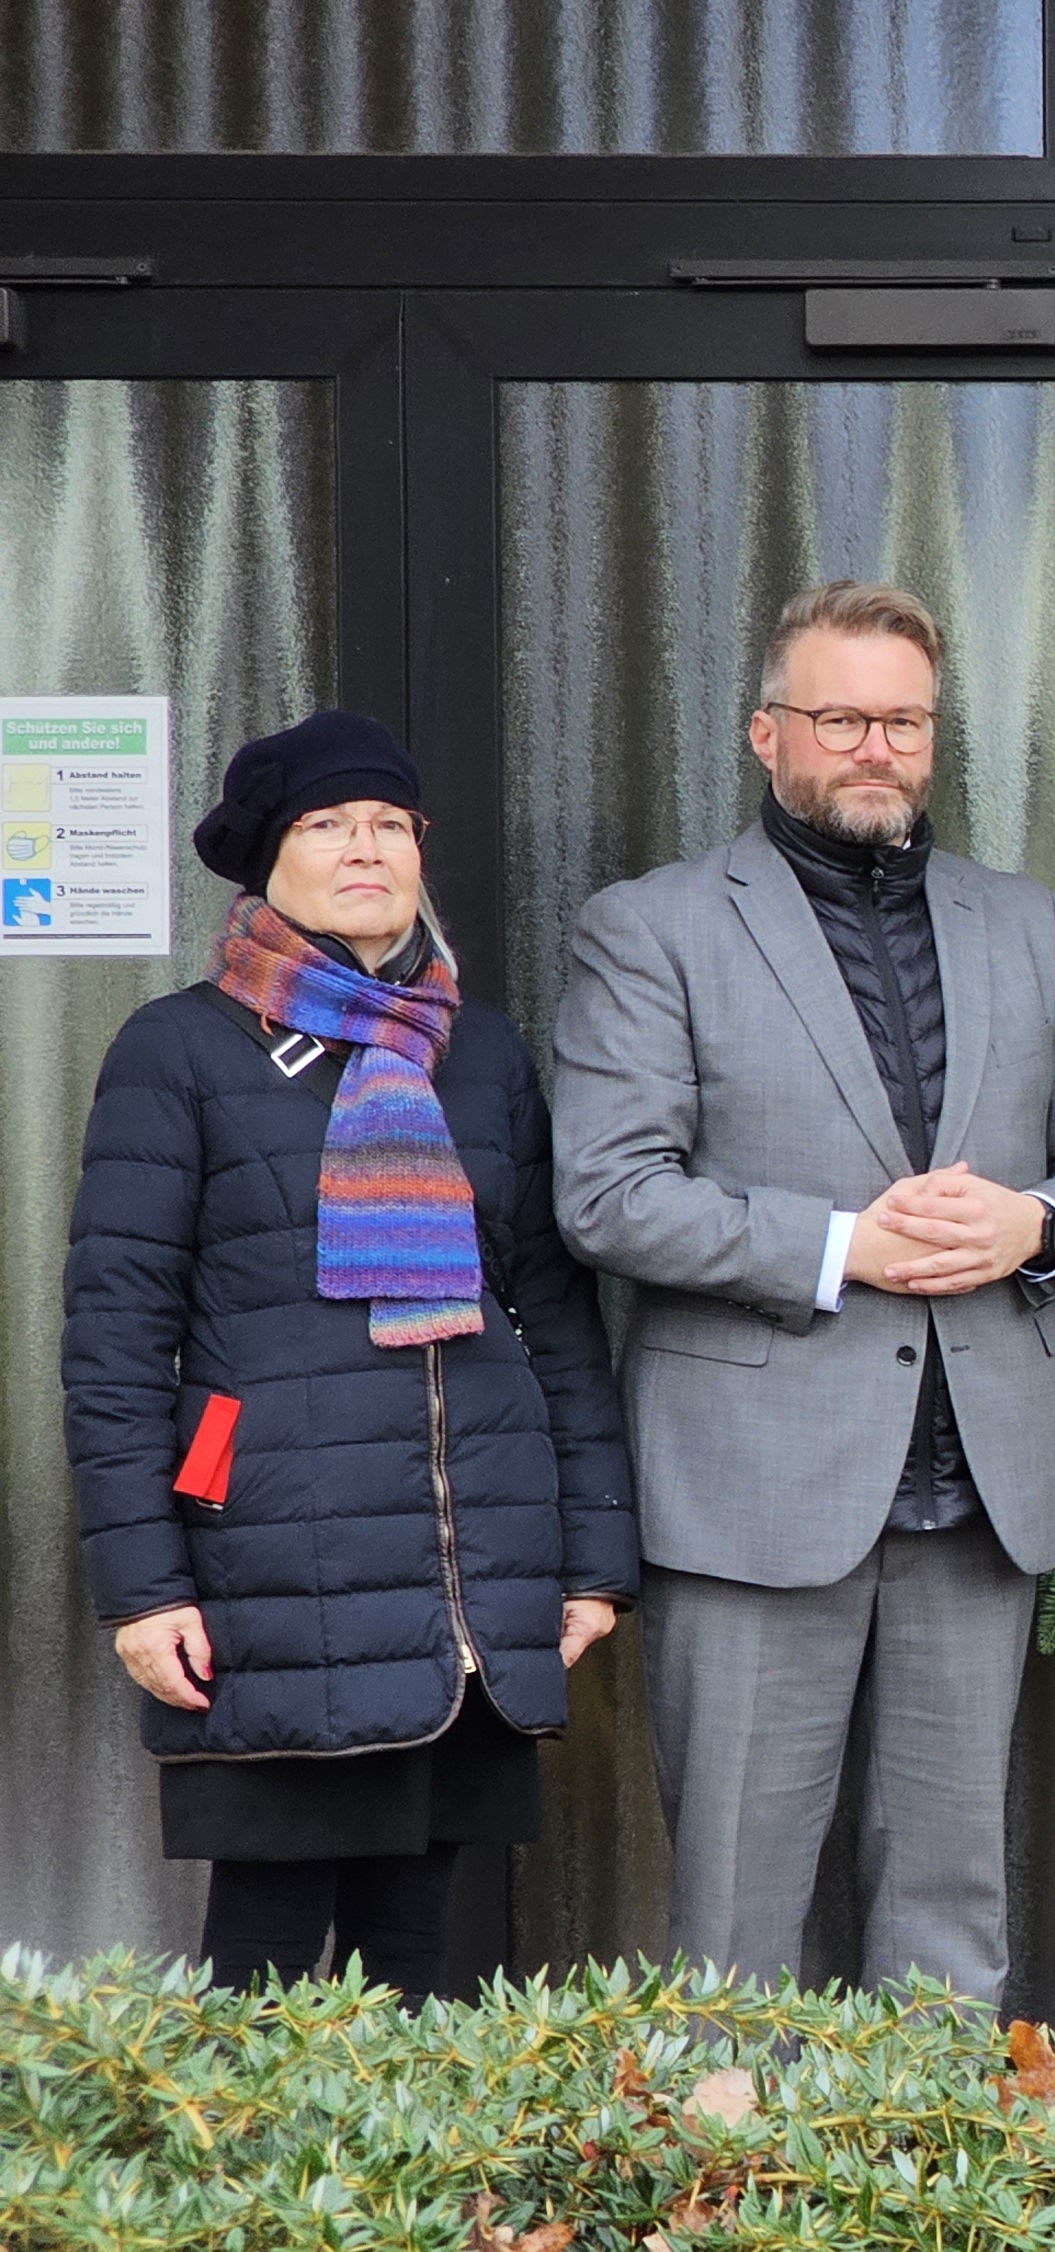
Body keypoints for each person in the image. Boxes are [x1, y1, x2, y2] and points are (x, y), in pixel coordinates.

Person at [551, 580, 1055, 2001]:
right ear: (768, 735)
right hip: (754, 1492)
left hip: (978, 1485)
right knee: (736, 1911)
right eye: (842, 718)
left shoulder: (1023, 925)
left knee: (952, 1898)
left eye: (905, 721)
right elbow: (609, 1191)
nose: (876, 747)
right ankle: (734, 2199)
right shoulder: (655, 929)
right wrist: (839, 1247)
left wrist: (1038, 1224)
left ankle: (925, 2185)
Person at [66, 712, 636, 1998]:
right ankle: (244, 2208)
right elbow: (114, 1337)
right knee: (264, 1958)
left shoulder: (477, 1052)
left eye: (389, 823)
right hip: (278, 1568)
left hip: (462, 1585)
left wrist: (593, 1555)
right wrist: (143, 1588)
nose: (364, 848)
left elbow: (549, 1311)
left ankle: (440, 2208)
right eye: (326, 825)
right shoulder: (182, 1049)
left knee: (428, 1953)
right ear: (266, 858)